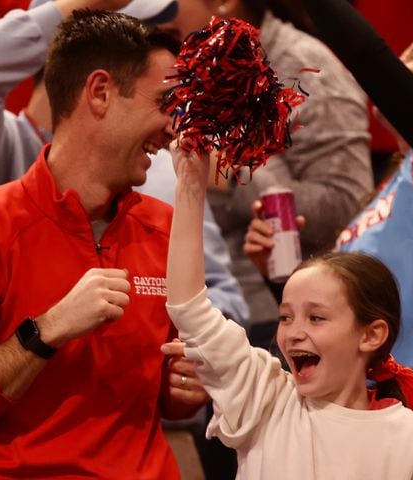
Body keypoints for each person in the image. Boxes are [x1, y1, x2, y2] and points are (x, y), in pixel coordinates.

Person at [0, 10, 208, 478]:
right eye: (165, 102)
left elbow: (167, 393)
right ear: (101, 92)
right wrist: (45, 331)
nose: (174, 126)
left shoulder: (169, 229)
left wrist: (181, 389)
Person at [244, 1, 413, 477]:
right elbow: (351, 316)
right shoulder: (390, 193)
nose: (396, 65)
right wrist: (279, 278)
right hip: (374, 415)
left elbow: (369, 57)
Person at [0, 0, 248, 326]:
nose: (160, 47)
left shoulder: (161, 167)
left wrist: (170, 340)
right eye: (139, 31)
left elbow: (222, 297)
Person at [161, 139, 413, 479]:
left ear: (371, 335)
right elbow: (190, 308)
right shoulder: (264, 397)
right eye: (285, 317)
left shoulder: (411, 440)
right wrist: (190, 186)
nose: (294, 333)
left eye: (316, 318)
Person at [148, 0, 372, 350]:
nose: (157, 11)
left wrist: (232, 175)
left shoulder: (305, 66)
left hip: (275, 322)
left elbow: (350, 203)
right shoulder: (184, 65)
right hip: (190, 307)